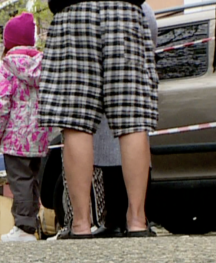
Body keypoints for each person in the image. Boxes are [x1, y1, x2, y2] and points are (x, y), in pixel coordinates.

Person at [40, 0, 159, 238]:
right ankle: (137, 221)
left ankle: (81, 225)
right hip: (126, 11)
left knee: (76, 121)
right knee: (132, 118)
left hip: (74, 12)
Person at [89, 3, 157, 238]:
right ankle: (137, 219)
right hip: (130, 84)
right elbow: (151, 40)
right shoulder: (140, 8)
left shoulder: (90, 8)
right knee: (131, 148)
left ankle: (113, 220)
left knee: (112, 157)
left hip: (105, 89)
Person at [0, 12, 50, 243]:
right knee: (33, 180)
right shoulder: (45, 65)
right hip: (40, 136)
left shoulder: (7, 66)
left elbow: (0, 103)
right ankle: (31, 222)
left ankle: (23, 227)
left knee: (20, 180)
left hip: (15, 138)